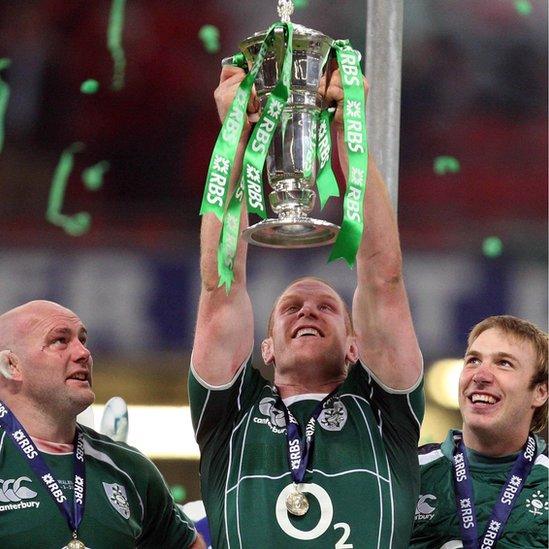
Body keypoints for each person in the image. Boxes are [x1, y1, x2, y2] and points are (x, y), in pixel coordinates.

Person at [189, 64, 424, 548]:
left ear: (356, 348)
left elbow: (384, 280)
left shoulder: (386, 413)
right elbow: (221, 287)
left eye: (327, 308)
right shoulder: (230, 414)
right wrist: (235, 137)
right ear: (267, 348)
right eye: (291, 308)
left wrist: (346, 135)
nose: (308, 312)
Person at [0, 300, 204, 548]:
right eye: (60, 341)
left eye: (82, 340)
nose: (83, 353)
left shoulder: (129, 467)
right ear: (11, 366)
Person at [411, 315, 548, 548]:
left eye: (504, 363)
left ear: (540, 393)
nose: (480, 375)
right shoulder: (408, 473)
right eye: (473, 360)